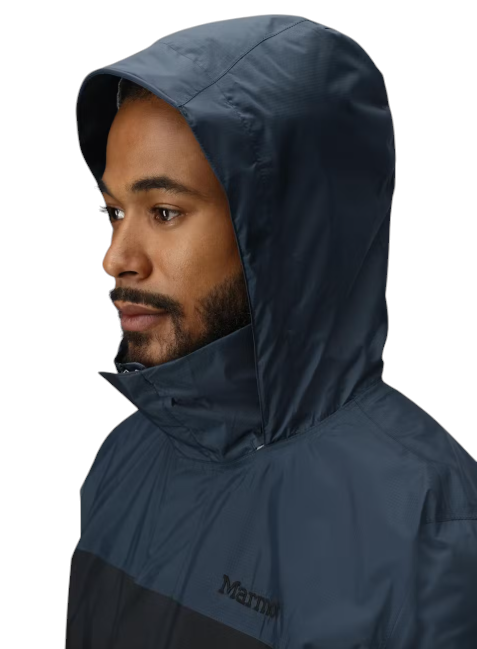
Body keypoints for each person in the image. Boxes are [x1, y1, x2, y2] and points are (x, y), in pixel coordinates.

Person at [66, 14, 477, 649]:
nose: (117, 257)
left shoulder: (429, 524)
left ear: (284, 235)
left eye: (164, 212)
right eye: (115, 211)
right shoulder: (124, 459)